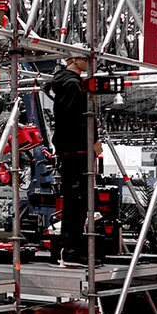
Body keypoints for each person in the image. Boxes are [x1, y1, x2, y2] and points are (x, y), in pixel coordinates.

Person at [48, 54, 91, 264]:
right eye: (84, 58)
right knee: (77, 200)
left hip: (71, 149)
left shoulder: (68, 84)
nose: (89, 62)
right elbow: (75, 119)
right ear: (72, 60)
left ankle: (71, 247)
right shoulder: (73, 85)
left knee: (75, 200)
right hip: (77, 148)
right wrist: (92, 140)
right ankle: (71, 249)